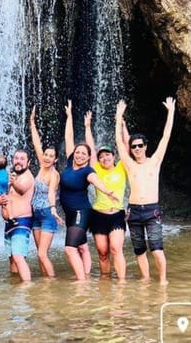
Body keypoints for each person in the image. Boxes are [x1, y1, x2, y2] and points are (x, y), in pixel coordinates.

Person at [115, 97, 175, 286]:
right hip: (133, 211)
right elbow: (118, 141)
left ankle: (163, 280)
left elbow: (166, 137)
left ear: (146, 146)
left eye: (140, 145)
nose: (137, 148)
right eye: (134, 146)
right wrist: (118, 117)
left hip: (151, 210)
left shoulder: (154, 161)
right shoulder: (129, 164)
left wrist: (171, 113)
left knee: (156, 249)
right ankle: (146, 279)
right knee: (139, 250)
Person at [60, 100, 119, 281]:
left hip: (81, 211)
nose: (79, 155)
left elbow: (96, 181)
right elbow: (69, 138)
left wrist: (108, 192)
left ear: (88, 157)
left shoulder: (88, 171)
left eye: (83, 154)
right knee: (83, 247)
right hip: (69, 213)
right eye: (77, 152)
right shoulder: (71, 164)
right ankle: (86, 274)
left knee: (70, 249)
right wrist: (69, 116)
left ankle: (81, 282)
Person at [84, 111, 128, 282]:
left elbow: (126, 144)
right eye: (101, 156)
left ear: (113, 156)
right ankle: (105, 283)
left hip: (116, 214)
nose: (104, 158)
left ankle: (122, 282)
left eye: (107, 155)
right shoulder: (96, 168)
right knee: (103, 253)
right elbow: (90, 148)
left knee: (116, 249)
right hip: (98, 215)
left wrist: (123, 124)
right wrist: (87, 126)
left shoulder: (122, 167)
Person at [29, 106, 63, 278]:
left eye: (51, 156)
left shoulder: (54, 175)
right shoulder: (42, 166)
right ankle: (45, 284)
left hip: (47, 215)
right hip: (35, 214)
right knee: (39, 255)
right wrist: (32, 123)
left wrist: (53, 209)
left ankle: (52, 283)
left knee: (42, 254)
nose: (47, 157)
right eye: (46, 155)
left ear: (56, 159)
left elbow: (51, 193)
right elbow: (36, 143)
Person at [0, 149, 35, 282]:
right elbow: (4, 194)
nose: (18, 161)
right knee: (12, 258)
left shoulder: (27, 176)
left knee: (18, 257)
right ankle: (15, 286)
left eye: (22, 159)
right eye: (16, 158)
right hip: (10, 223)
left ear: (28, 162)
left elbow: (22, 190)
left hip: (22, 222)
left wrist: (13, 181)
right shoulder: (12, 175)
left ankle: (27, 286)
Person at [0, 154, 17, 226]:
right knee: (8, 202)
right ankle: (11, 218)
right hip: (1, 193)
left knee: (4, 205)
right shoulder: (3, 172)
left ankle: (5, 219)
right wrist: (9, 181)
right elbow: (3, 181)